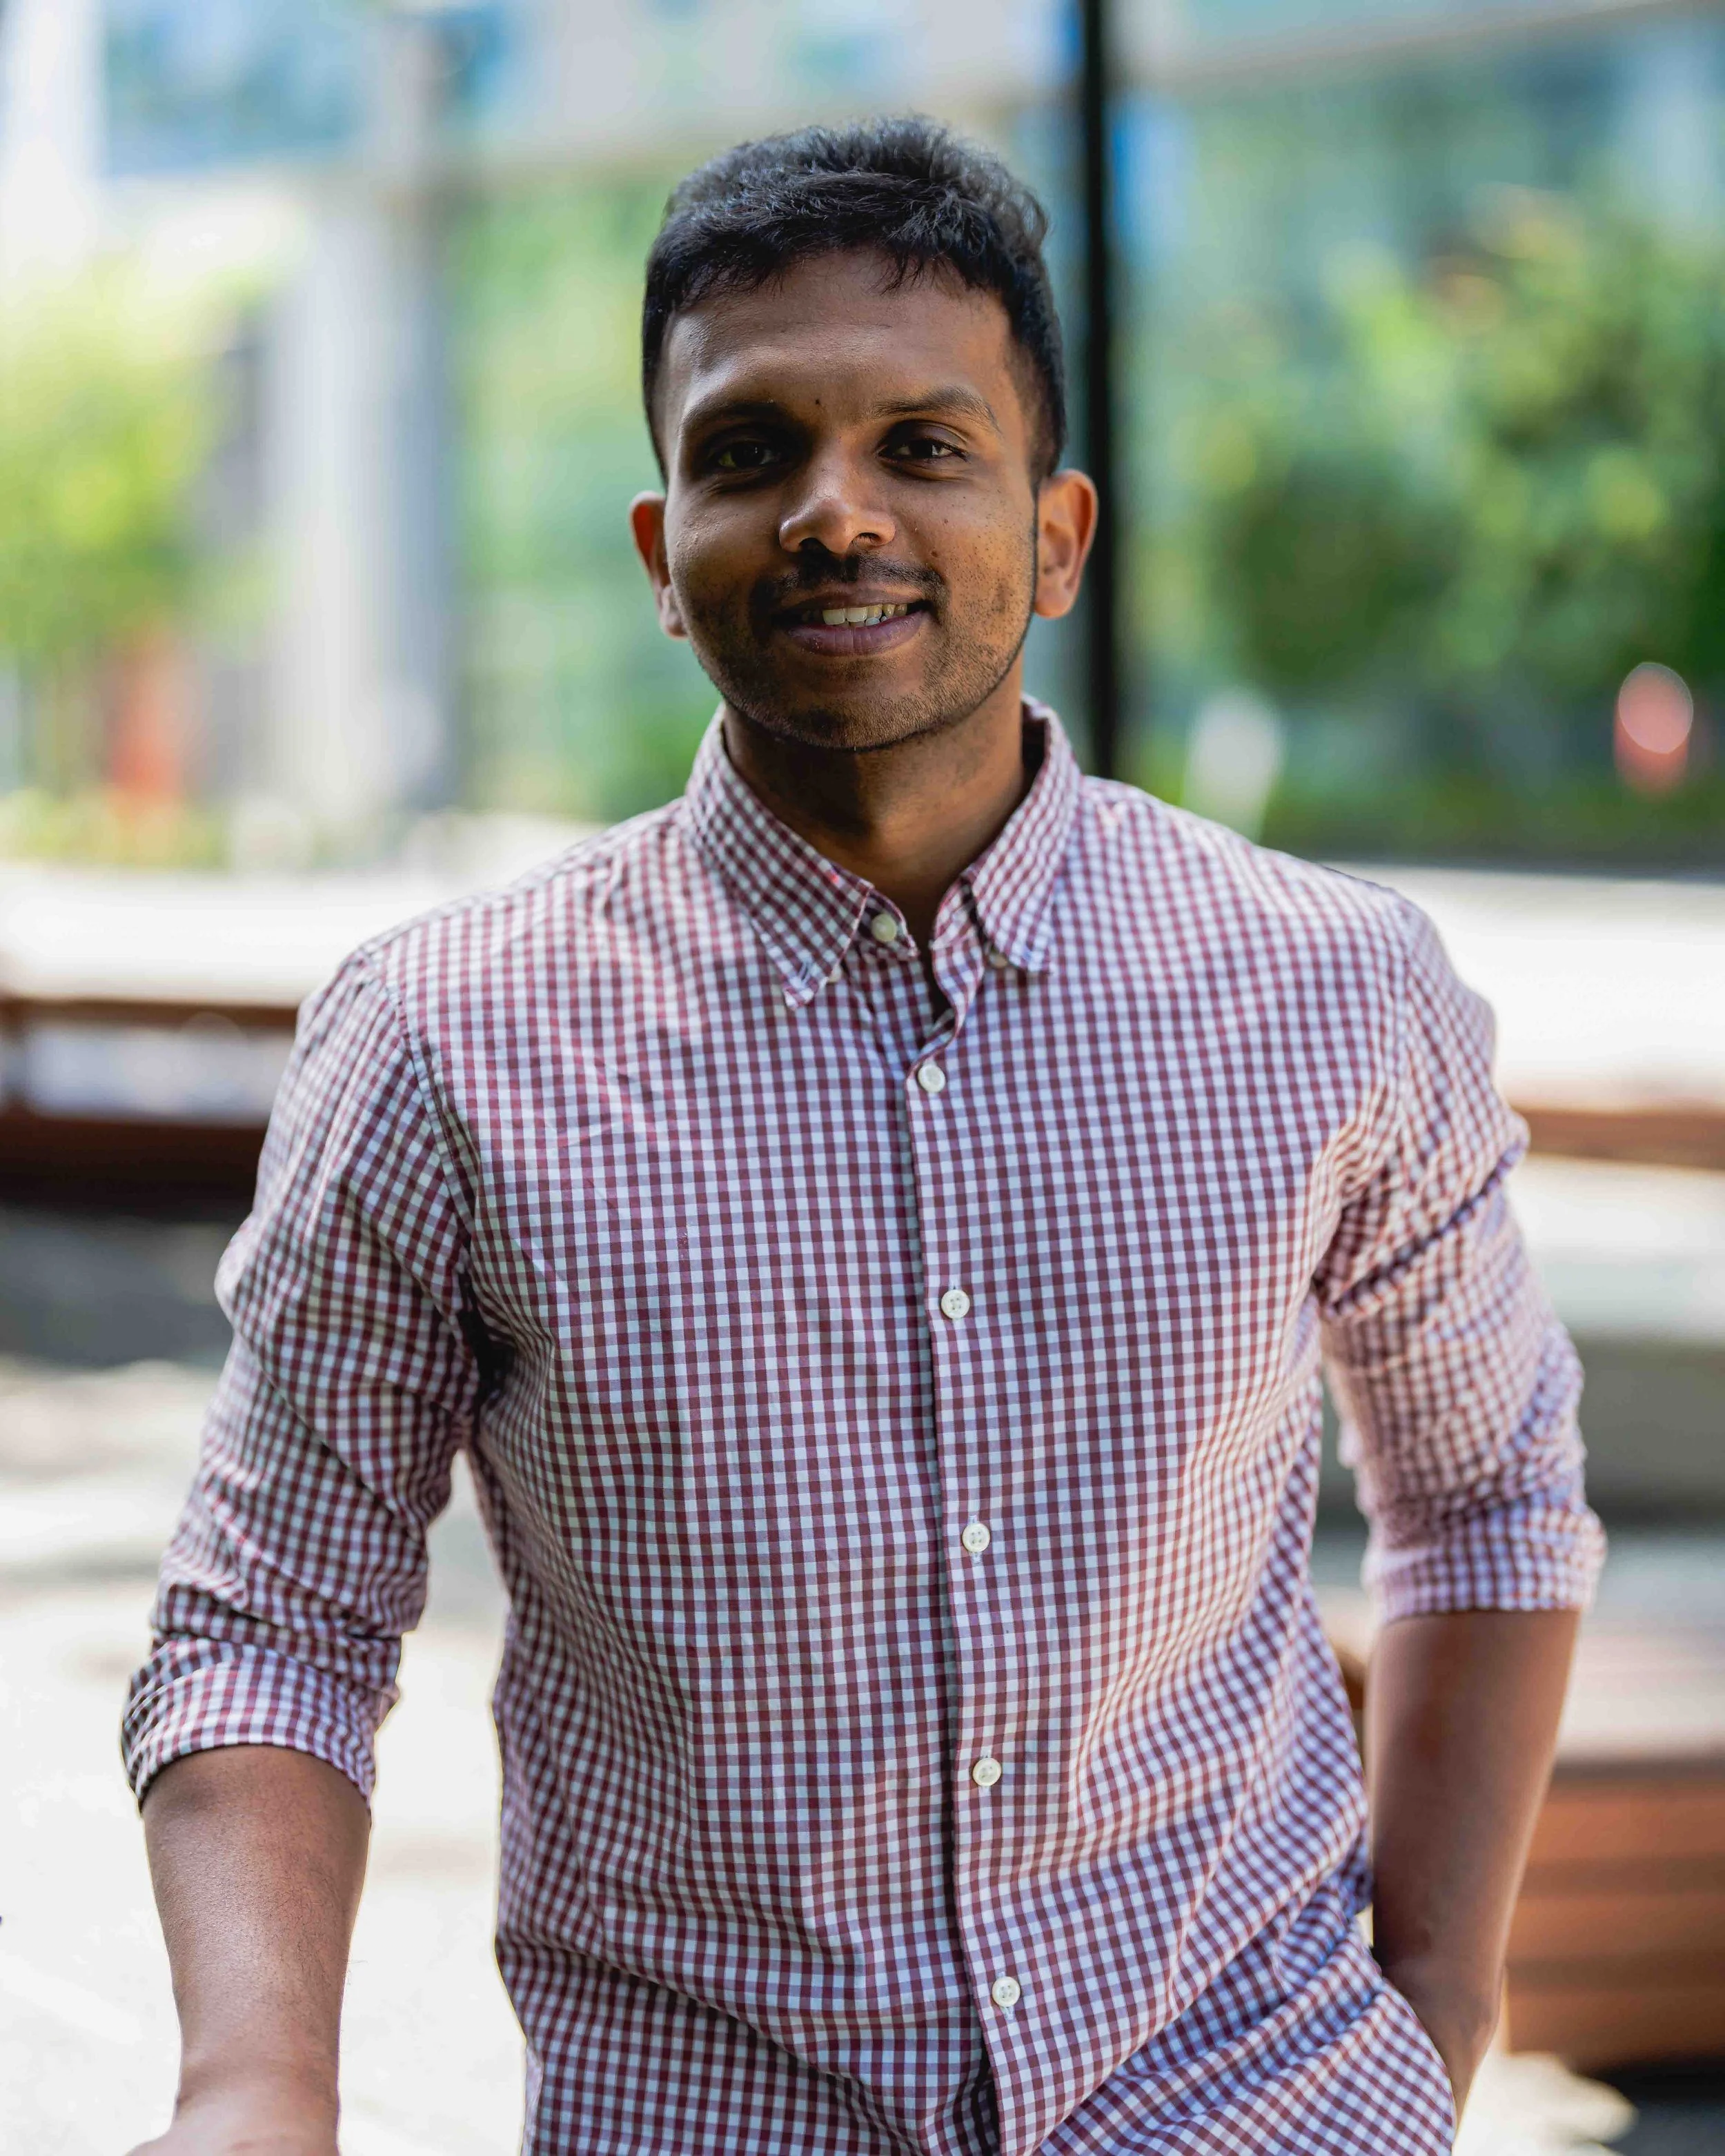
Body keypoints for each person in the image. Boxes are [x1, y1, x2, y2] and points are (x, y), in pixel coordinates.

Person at [124, 119, 1602, 2156]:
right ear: (662, 552)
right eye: (750, 452)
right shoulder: (444, 1043)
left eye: (923, 445)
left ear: (1057, 537)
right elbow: (272, 1621)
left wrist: (1433, 2005)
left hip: (1252, 2101)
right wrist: (255, 2087)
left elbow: (1490, 1500)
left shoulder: (1335, 992)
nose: (836, 513)